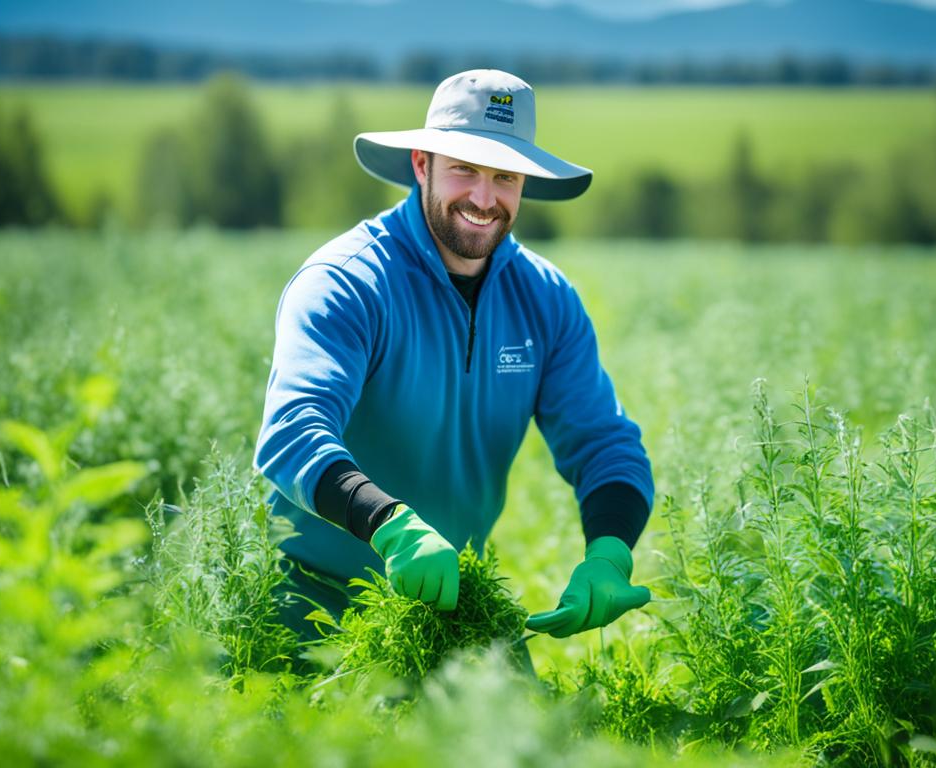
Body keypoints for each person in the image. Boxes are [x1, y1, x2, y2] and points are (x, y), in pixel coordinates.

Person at [255, 69, 652, 643]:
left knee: (533, 734)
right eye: (464, 168)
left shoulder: (546, 299)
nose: (485, 199)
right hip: (312, 601)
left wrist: (610, 553)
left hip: (455, 604)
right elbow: (293, 432)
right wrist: (388, 525)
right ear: (422, 164)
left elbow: (606, 444)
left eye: (505, 176)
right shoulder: (346, 283)